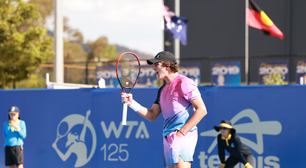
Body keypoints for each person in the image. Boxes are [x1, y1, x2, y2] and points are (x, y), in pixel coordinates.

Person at [121, 51, 207, 168]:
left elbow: (201, 109)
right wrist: (132, 103)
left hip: (184, 135)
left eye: (156, 64)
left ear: (167, 65)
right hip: (168, 137)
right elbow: (152, 115)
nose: (153, 68)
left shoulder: (184, 83)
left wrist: (181, 133)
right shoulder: (162, 90)